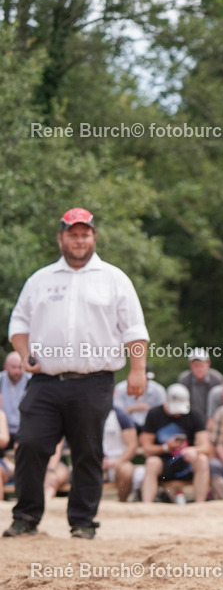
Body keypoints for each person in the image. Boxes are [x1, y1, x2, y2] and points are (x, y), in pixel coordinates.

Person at [4, 207, 149, 539]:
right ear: (61, 238)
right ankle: (26, 516)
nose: (79, 239)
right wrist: (25, 354)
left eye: (85, 233)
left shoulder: (115, 278)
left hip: (93, 382)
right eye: (73, 233)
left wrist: (138, 369)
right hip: (45, 381)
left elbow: (134, 330)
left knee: (87, 450)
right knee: (29, 444)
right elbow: (19, 324)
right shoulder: (40, 280)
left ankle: (83, 522)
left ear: (94, 237)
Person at [139, 383, 212, 503]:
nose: (178, 413)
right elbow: (146, 448)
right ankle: (147, 505)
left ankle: (200, 504)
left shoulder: (195, 414)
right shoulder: (154, 414)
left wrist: (194, 450)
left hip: (186, 461)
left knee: (202, 460)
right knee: (151, 462)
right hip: (163, 462)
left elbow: (206, 446)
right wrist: (166, 447)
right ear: (167, 401)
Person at [103, 406, 144, 502]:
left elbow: (132, 445)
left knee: (127, 470)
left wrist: (118, 461)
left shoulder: (120, 415)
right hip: (94, 460)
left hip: (117, 462)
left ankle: (122, 502)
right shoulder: (86, 414)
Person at [177, 348, 222, 421]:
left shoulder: (217, 379)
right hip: (190, 418)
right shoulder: (184, 379)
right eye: (195, 366)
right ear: (190, 365)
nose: (199, 369)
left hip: (213, 417)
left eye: (201, 365)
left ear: (208, 364)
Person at [1, 351, 30, 446]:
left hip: (24, 431)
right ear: (6, 367)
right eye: (13, 367)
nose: (17, 371)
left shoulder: (31, 382)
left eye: (20, 367)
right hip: (4, 431)